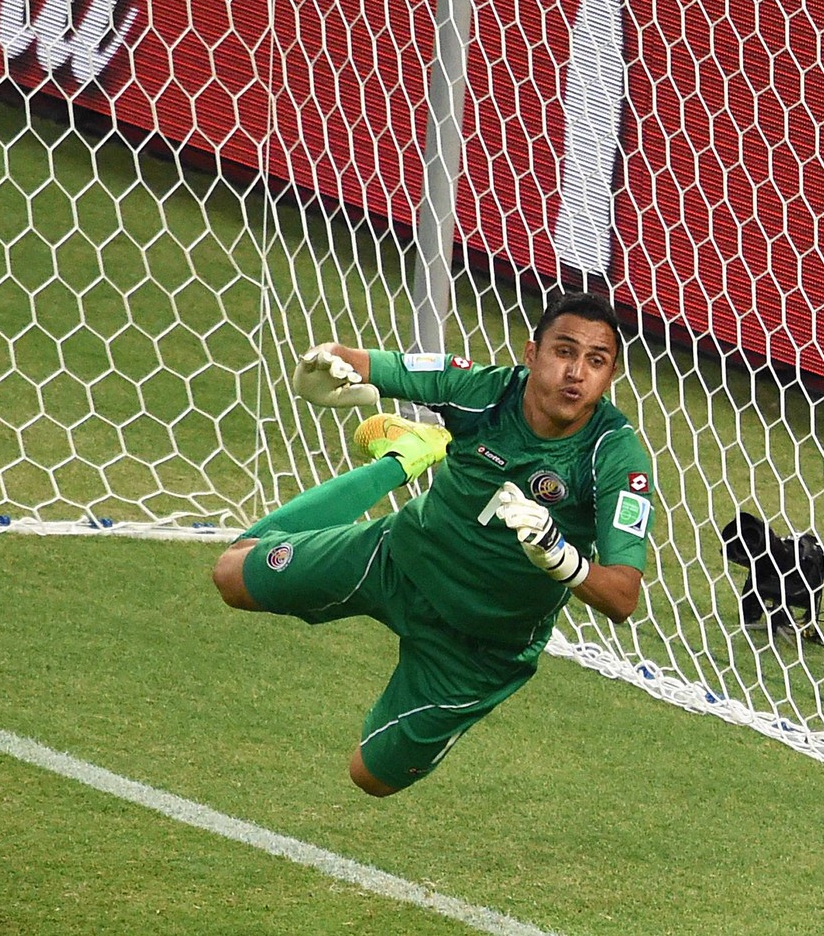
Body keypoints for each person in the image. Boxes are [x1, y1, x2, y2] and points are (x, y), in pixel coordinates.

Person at [212, 292, 654, 796]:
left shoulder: (615, 455)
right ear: (531, 354)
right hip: (396, 559)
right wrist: (327, 359)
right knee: (230, 575)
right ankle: (403, 458)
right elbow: (367, 362)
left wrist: (562, 558)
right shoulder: (481, 390)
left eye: (596, 361)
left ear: (610, 376)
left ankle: (409, 452)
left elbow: (623, 597)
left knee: (370, 777)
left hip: (479, 646)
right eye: (564, 351)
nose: (576, 372)